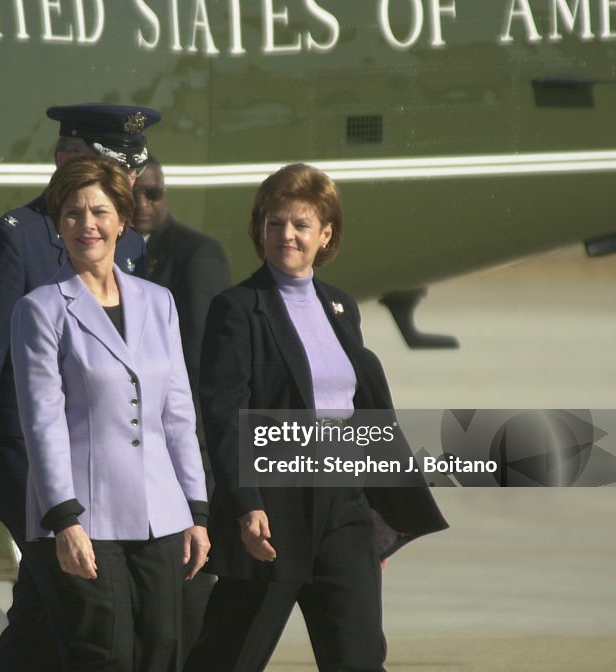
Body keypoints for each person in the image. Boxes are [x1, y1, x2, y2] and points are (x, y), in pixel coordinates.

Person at [185, 164, 447, 672]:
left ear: (326, 234)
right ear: (260, 229)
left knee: (359, 657)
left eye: (301, 225)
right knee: (229, 655)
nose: (287, 235)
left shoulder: (341, 308)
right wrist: (245, 505)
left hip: (343, 513)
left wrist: (380, 513)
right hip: (270, 517)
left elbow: (358, 411)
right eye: (275, 223)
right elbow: (223, 414)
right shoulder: (237, 309)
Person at [0, 103, 158, 671]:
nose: (125, 179)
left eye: (131, 169)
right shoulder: (13, 243)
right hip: (31, 469)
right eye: (110, 165)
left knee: (42, 623)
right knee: (95, 622)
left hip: (105, 466)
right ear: (65, 160)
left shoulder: (127, 243)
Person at [10, 155, 210, 671]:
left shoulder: (159, 300)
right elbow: (42, 421)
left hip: (161, 513)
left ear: (123, 219)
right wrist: (63, 521)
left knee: (164, 648)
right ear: (59, 226)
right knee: (108, 653)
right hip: (85, 515)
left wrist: (196, 509)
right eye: (72, 214)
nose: (87, 225)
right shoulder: (41, 309)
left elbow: (178, 412)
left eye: (99, 211)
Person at [132, 155, 230, 658]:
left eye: (155, 194)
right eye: (137, 194)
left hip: (184, 446)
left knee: (189, 595)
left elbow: (199, 363)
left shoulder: (195, 256)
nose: (146, 205)